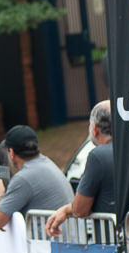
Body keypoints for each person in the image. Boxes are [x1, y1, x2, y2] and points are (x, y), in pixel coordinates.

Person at [0, 125, 75, 241]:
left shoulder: (23, 178)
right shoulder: (48, 163)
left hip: (51, 246)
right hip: (69, 242)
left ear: (11, 153)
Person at [45, 101, 117, 236]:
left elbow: (80, 209)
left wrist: (66, 210)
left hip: (112, 240)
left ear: (95, 129)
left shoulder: (98, 156)